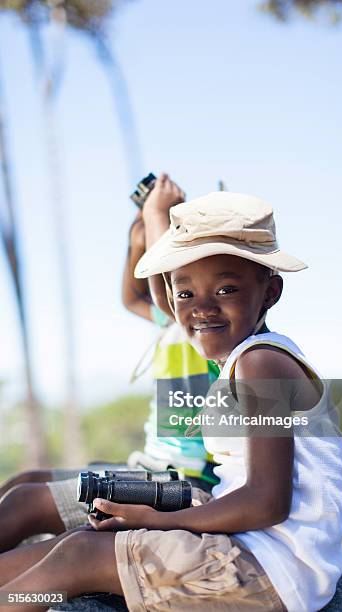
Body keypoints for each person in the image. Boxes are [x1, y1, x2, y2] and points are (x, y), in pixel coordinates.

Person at [0, 192, 342, 612]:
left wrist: (157, 521)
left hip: (271, 572)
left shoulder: (262, 364)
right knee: (80, 540)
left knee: (80, 556)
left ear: (270, 291)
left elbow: (266, 502)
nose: (202, 308)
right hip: (256, 551)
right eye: (185, 295)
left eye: (226, 288)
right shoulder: (248, 358)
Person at [0, 177, 219, 552]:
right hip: (152, 467)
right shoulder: (172, 322)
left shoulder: (204, 329)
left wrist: (156, 215)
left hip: (183, 481)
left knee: (23, 505)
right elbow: (132, 298)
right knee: (24, 481)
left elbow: (162, 287)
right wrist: (139, 233)